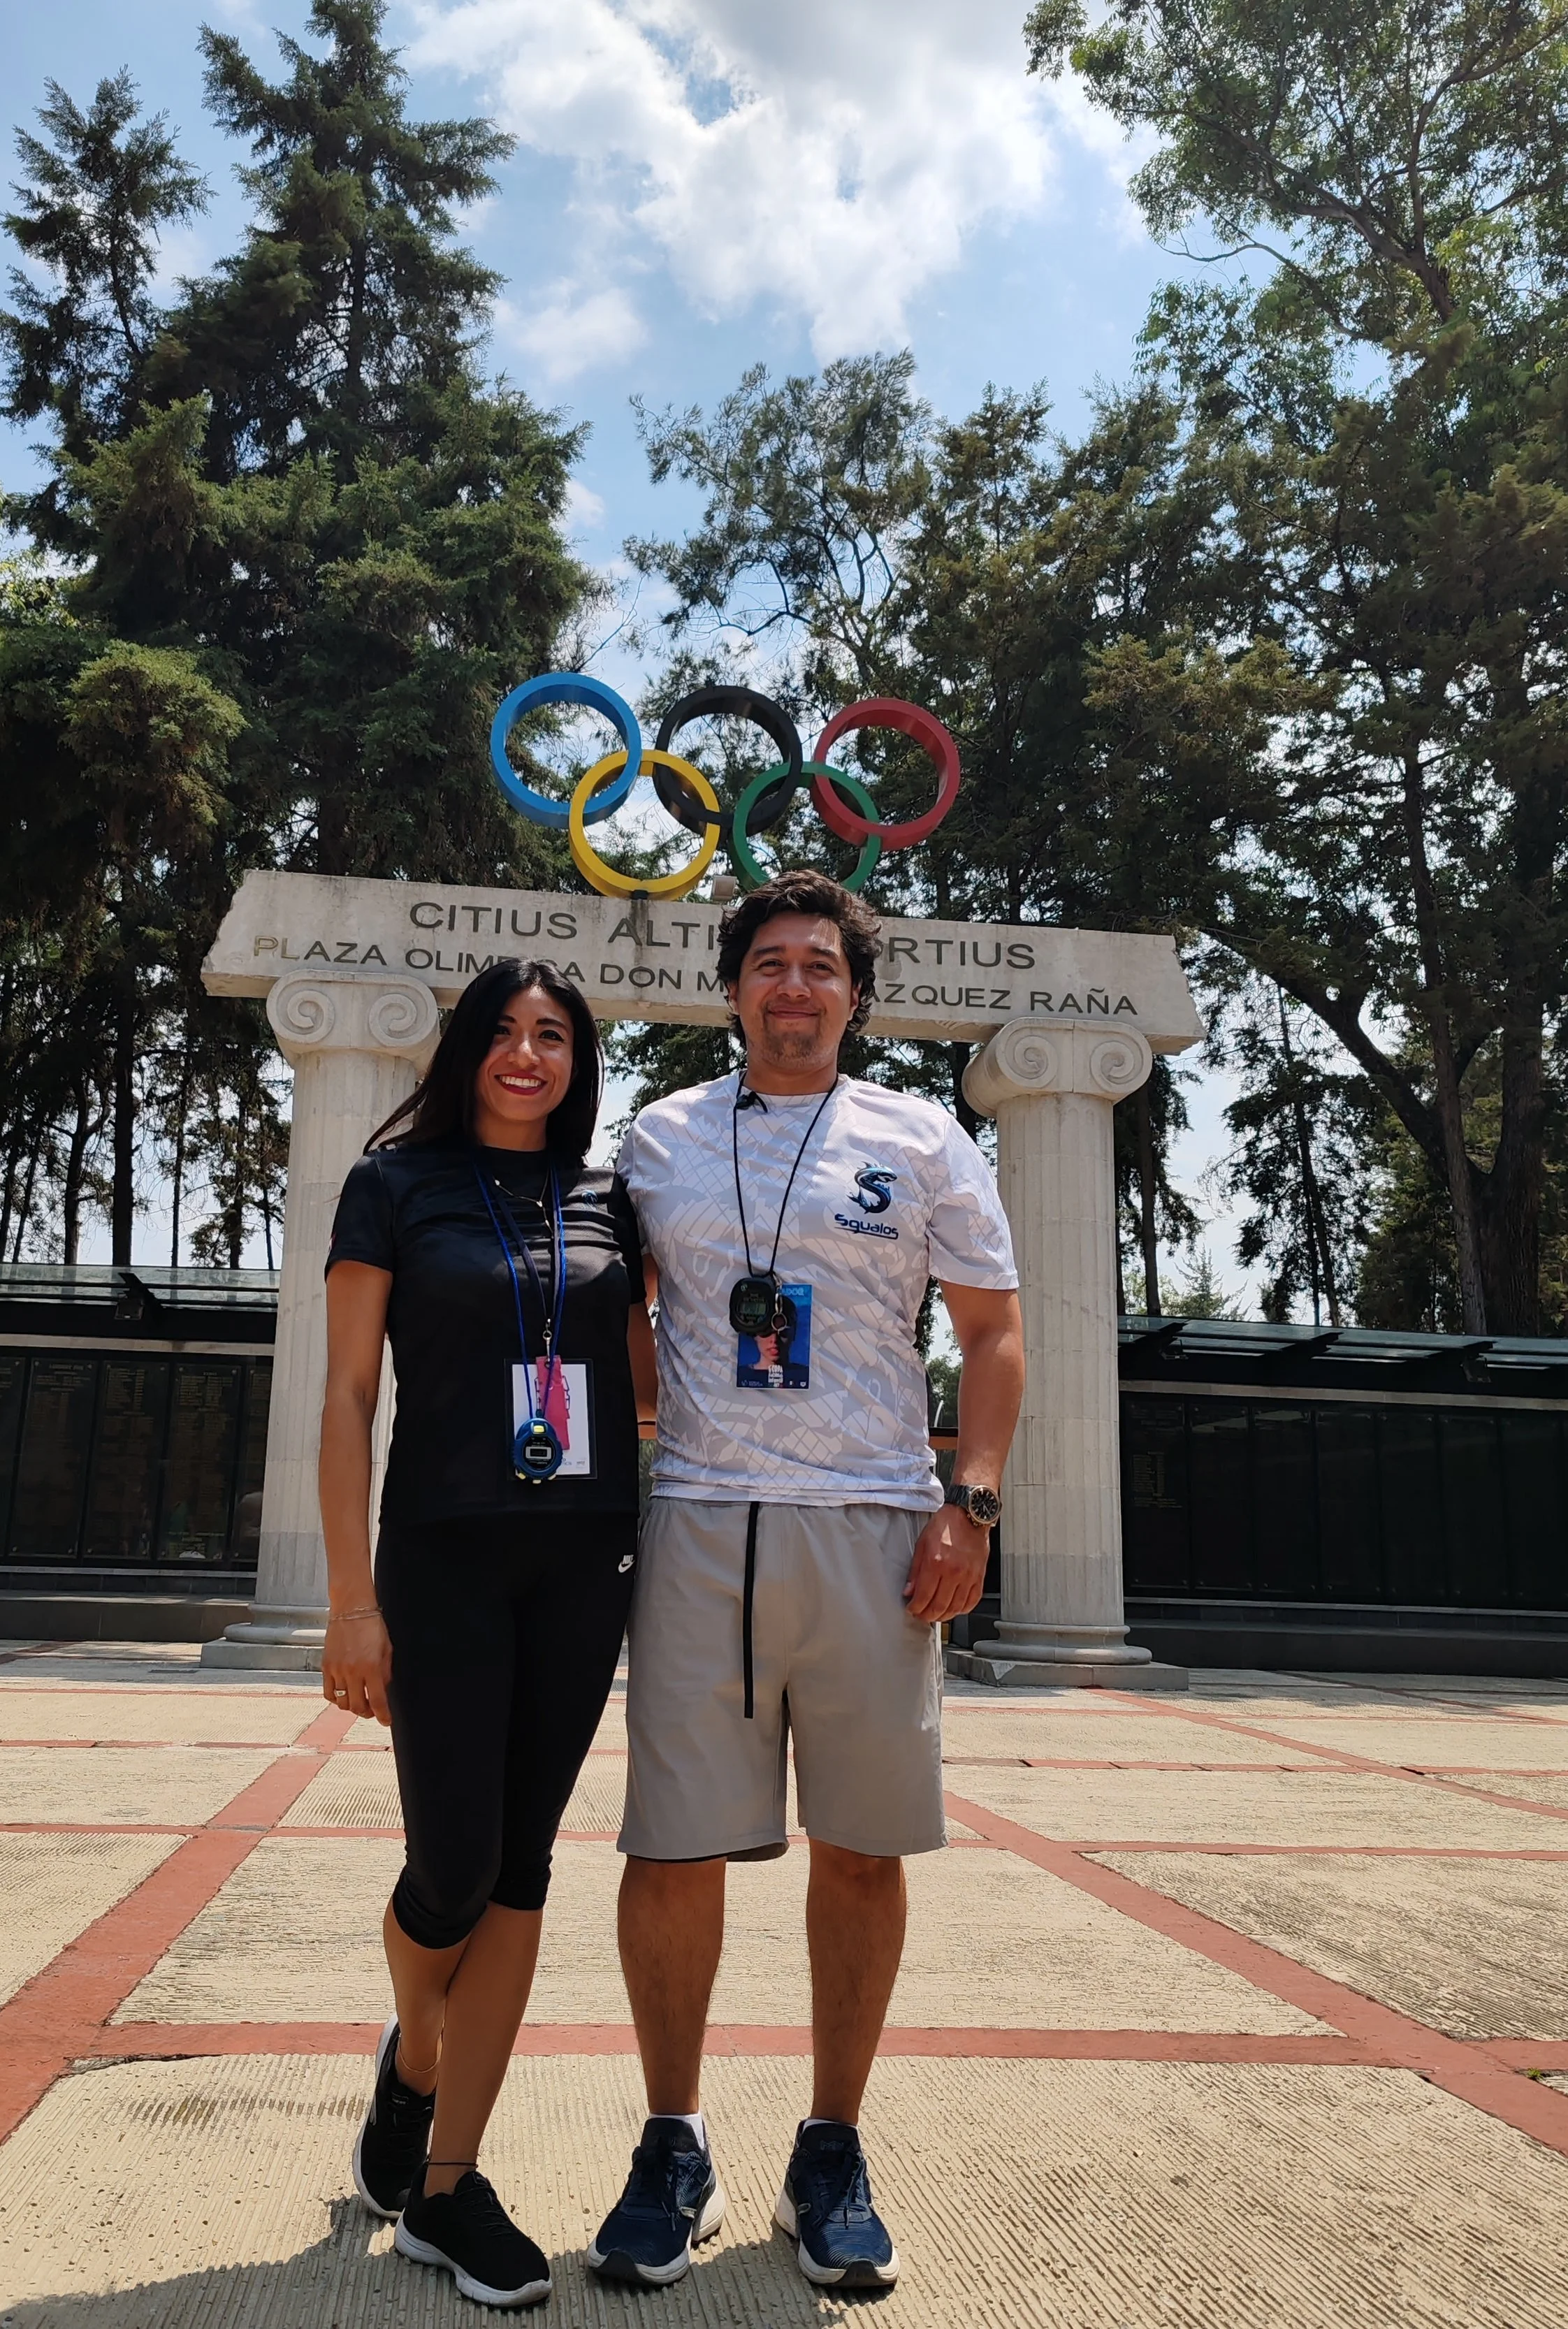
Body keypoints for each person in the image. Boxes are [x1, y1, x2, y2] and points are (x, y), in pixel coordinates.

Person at [590, 868, 1024, 2294]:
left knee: (860, 1846)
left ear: (853, 991)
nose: (791, 987)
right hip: (701, 1525)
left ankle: (828, 2148)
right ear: (728, 988)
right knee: (668, 1847)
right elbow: (623, 1320)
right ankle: (671, 2140)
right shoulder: (655, 1137)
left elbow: (992, 1333)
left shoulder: (923, 1136)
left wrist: (968, 1502)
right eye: (767, 962)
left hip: (876, 1524)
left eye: (818, 967)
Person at [319, 957, 655, 2310]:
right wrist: (352, 1595)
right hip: (442, 1556)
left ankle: (446, 2183)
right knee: (448, 1865)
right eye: (505, 1032)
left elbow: (641, 1379)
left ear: (578, 1061)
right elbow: (347, 1398)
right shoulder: (389, 1186)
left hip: (583, 1560)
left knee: (519, 1866)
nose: (528, 1054)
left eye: (554, 1036)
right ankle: (413, 2057)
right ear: (464, 1048)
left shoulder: (608, 1203)